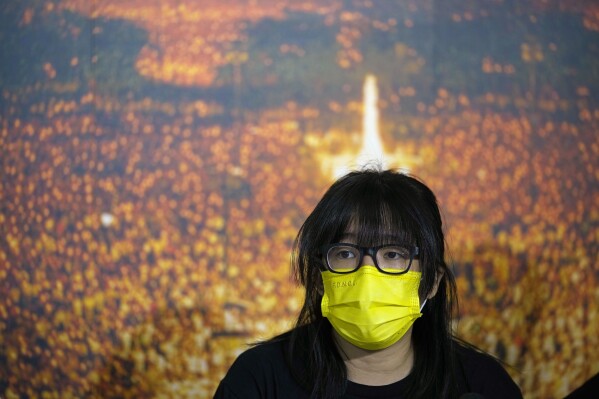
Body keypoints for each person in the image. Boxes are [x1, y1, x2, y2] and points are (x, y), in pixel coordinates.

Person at [214, 168, 522, 398]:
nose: (367, 272)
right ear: (320, 277)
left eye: (393, 254)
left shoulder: (480, 385)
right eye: (346, 253)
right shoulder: (260, 379)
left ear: (432, 281)